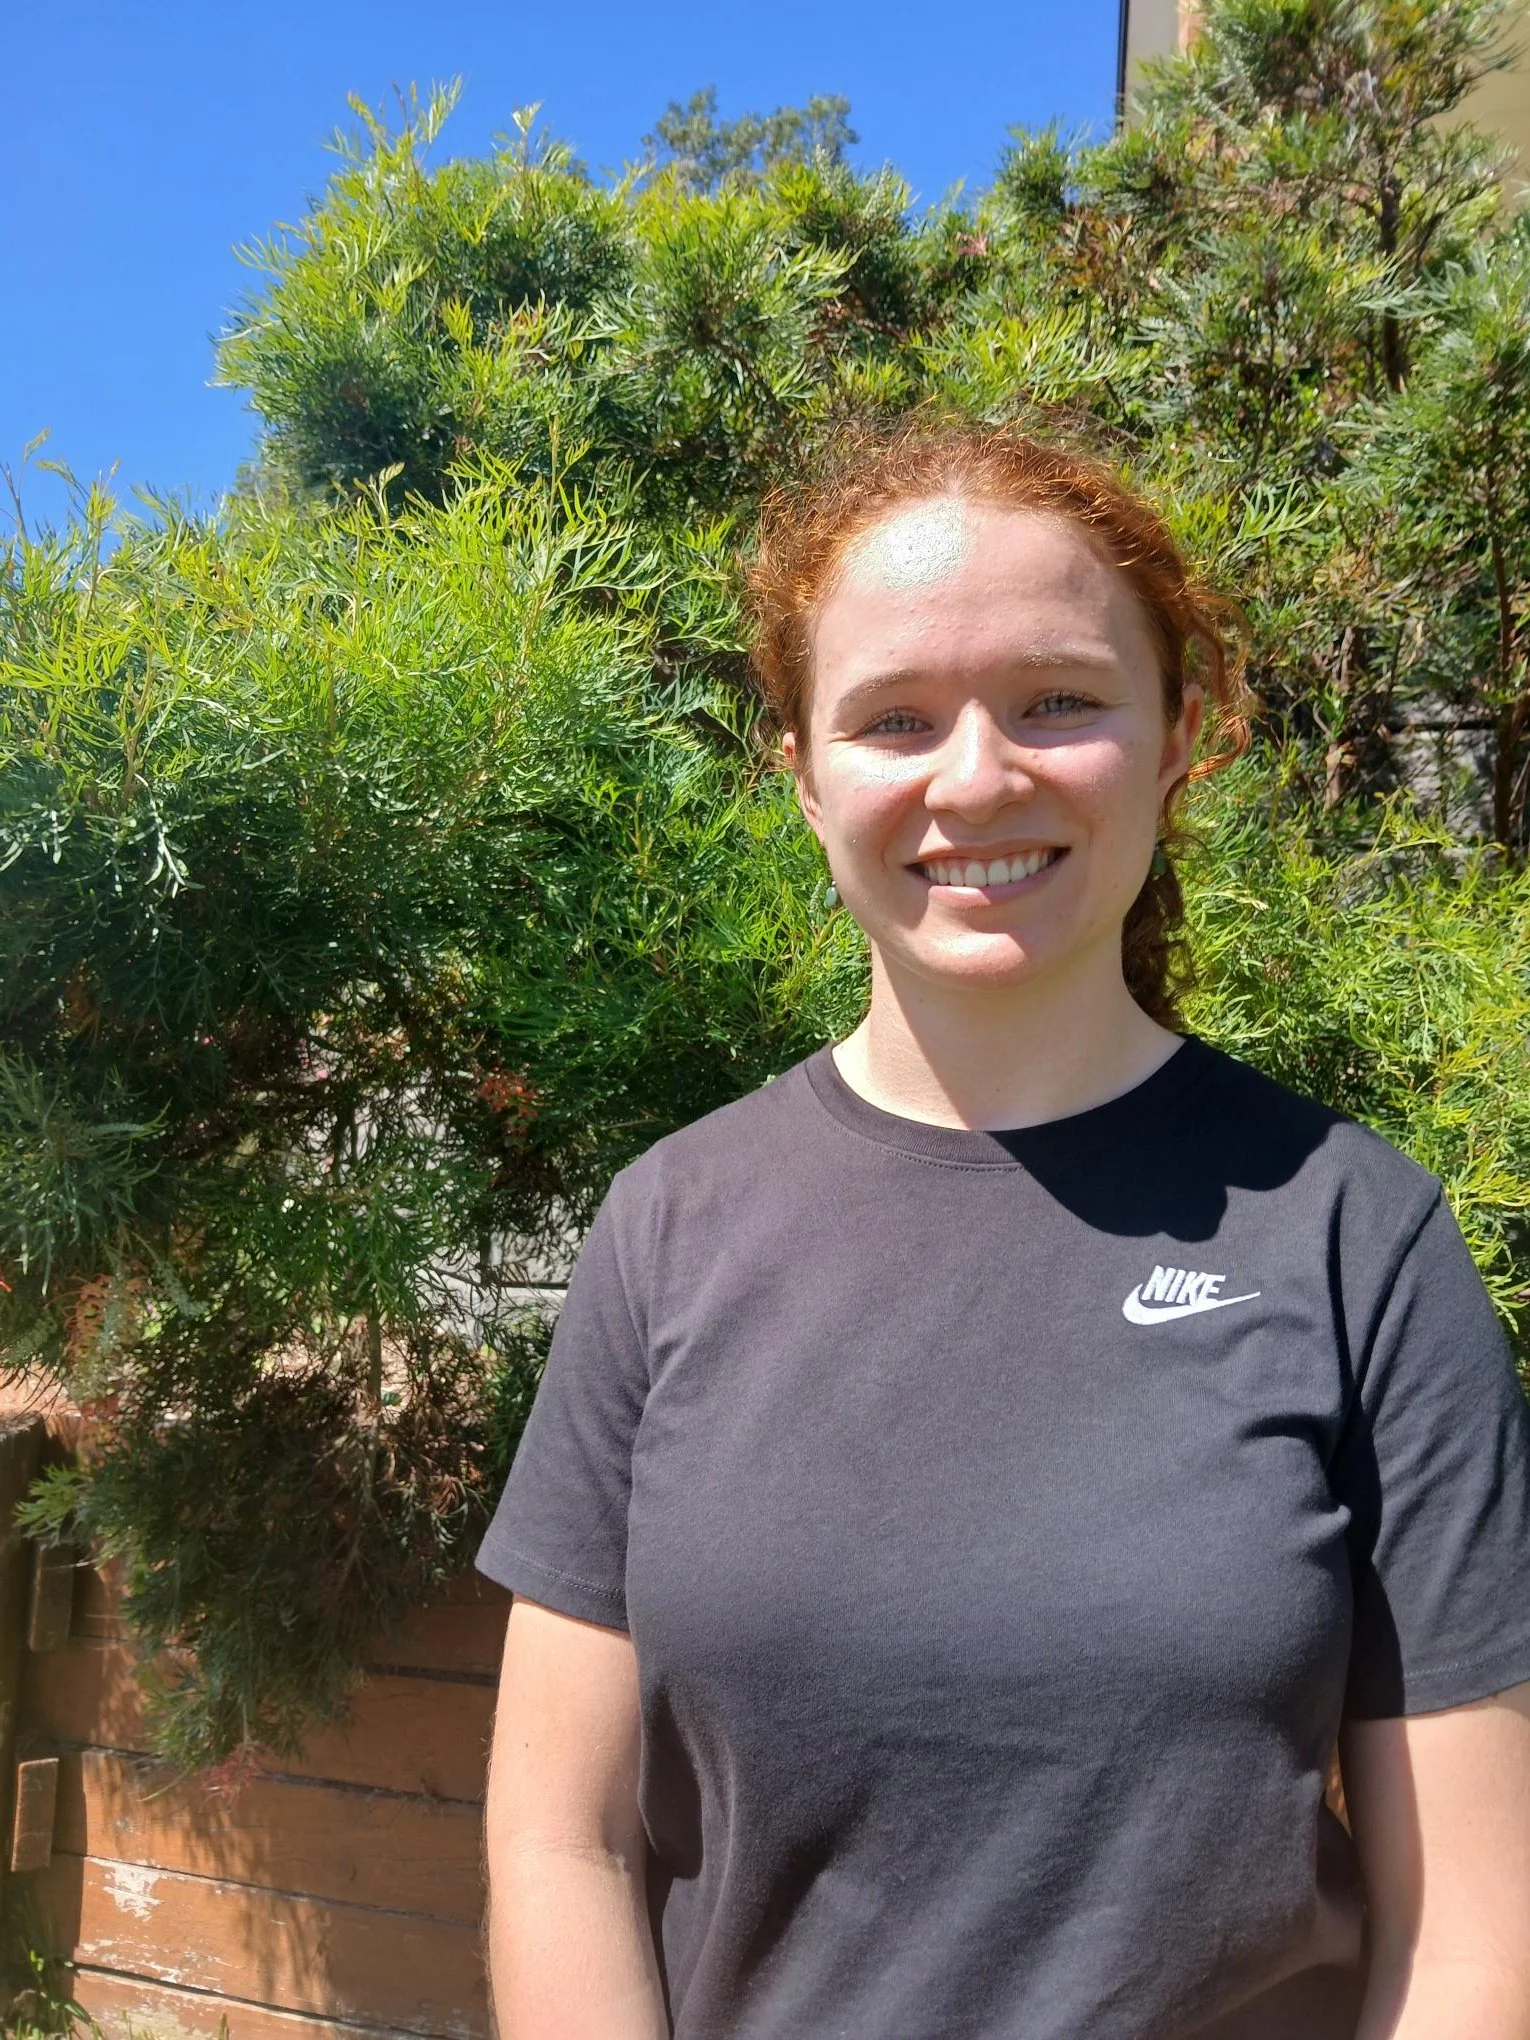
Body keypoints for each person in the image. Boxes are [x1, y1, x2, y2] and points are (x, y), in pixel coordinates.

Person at [477, 425, 1530, 2039]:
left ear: (1180, 733)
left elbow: (1470, 1931)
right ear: (804, 773)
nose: (972, 777)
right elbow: (559, 1842)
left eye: (1055, 700)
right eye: (893, 718)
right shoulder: (666, 1231)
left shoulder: (1352, 1236)